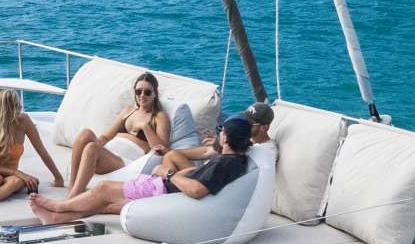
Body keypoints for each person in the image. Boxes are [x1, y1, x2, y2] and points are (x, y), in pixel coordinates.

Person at [30, 114, 254, 223]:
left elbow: (196, 190)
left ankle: (58, 206)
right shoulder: (235, 160)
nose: (218, 134)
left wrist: (168, 174)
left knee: (103, 189)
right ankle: (57, 218)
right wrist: (179, 174)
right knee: (104, 202)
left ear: (226, 138)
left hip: (162, 190)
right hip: (165, 189)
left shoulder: (225, 162)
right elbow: (199, 179)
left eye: (221, 131)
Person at [0, 87, 64, 218]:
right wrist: (19, 173)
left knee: (17, 182)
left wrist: (58, 177)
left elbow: (41, 151)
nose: (19, 106)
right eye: (15, 104)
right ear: (7, 109)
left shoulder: (24, 121)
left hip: (8, 173)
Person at [64, 72, 171, 198]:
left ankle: (73, 197)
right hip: (109, 151)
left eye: (147, 92)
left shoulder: (159, 116)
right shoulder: (128, 110)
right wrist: (97, 144)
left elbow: (162, 149)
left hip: (124, 160)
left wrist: (145, 127)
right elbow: (106, 137)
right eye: (138, 92)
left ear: (155, 94)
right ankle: (72, 186)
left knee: (91, 148)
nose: (142, 95)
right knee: (85, 134)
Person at [153, 100, 271, 175]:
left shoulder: (266, 150)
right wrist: (168, 150)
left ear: (264, 128)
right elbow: (206, 151)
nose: (244, 124)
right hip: (207, 174)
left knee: (167, 166)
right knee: (171, 155)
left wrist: (172, 175)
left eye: (250, 123)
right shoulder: (242, 138)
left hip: (213, 182)